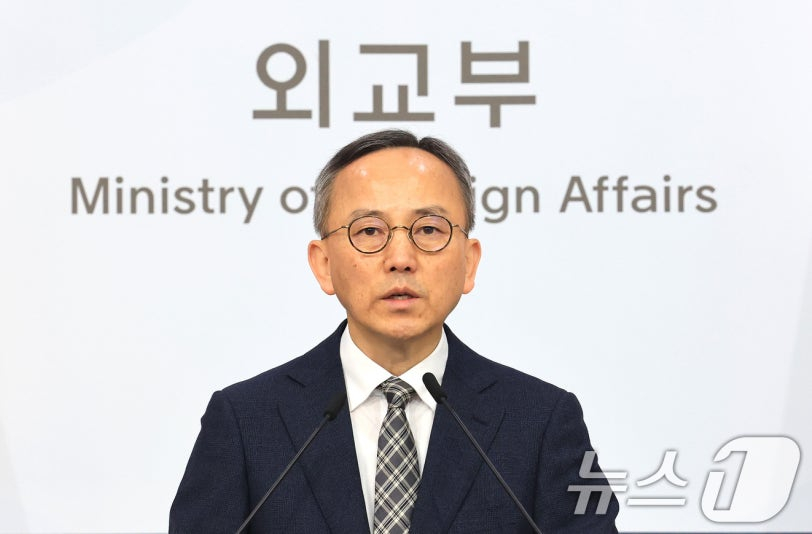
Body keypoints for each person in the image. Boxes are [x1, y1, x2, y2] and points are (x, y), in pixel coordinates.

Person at [169, 130, 619, 533]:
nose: (401, 258)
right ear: (323, 264)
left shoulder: (543, 421)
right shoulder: (245, 422)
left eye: (429, 229)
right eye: (369, 230)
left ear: (469, 263)